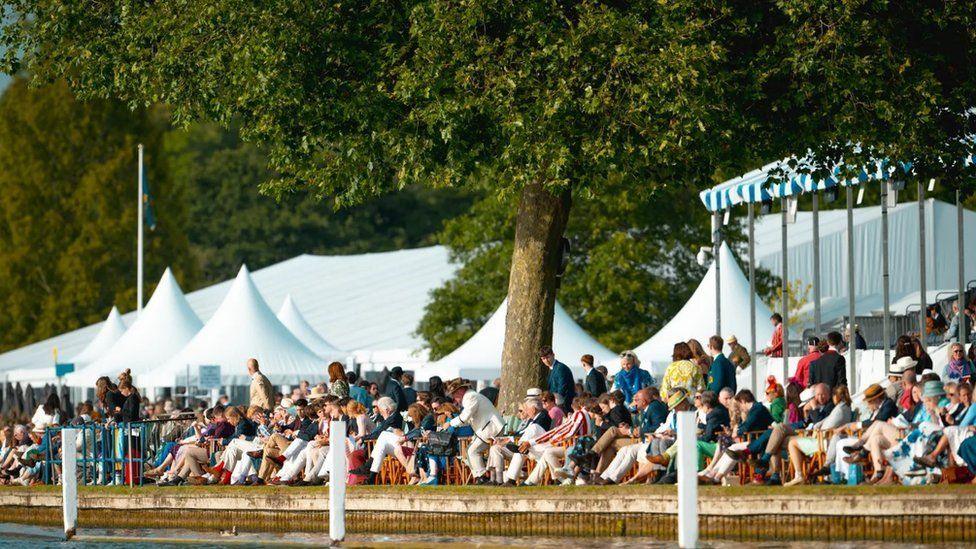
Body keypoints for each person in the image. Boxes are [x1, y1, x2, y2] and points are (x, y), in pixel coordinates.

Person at [444, 378, 504, 485]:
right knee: (470, 451)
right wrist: (454, 420)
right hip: (487, 428)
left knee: (471, 451)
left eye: (454, 395)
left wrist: (450, 423)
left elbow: (465, 416)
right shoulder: (470, 397)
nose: (454, 398)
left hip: (491, 428)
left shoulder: (471, 397)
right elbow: (468, 419)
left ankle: (482, 477)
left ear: (460, 391)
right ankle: (482, 477)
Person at [541, 346, 576, 413]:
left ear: (553, 355)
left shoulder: (560, 368)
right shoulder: (552, 368)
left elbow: (562, 389)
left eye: (548, 357)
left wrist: (553, 405)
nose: (546, 360)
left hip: (563, 406)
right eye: (543, 359)